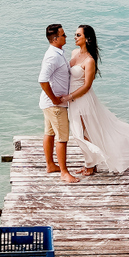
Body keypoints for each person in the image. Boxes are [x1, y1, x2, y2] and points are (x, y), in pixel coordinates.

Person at [60, 25, 129, 175]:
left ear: (87, 38)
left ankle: (91, 165)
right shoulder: (74, 52)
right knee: (79, 133)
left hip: (82, 99)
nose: (74, 37)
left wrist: (69, 97)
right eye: (75, 35)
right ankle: (91, 163)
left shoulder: (89, 60)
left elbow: (87, 85)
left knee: (83, 133)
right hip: (73, 100)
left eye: (78, 35)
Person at [38, 24, 79, 183]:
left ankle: (50, 165)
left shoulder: (57, 53)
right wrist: (55, 99)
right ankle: (64, 172)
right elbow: (42, 80)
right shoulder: (52, 56)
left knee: (49, 133)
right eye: (63, 35)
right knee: (62, 137)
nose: (66, 37)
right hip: (54, 105)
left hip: (49, 104)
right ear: (55, 39)